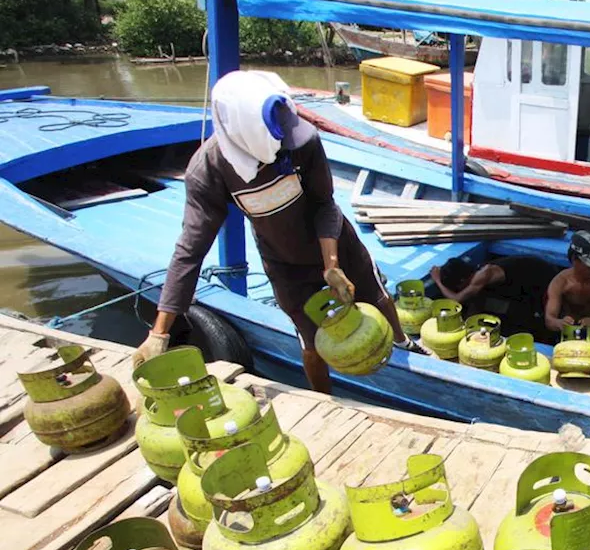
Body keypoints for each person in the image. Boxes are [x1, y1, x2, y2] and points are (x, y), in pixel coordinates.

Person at [133, 70, 419, 392]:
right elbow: (190, 253)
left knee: (377, 296)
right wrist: (159, 335)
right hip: (284, 262)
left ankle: (404, 344)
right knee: (311, 343)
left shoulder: (302, 139)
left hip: (335, 243)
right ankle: (324, 400)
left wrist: (332, 266)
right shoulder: (209, 171)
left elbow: (325, 205)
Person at [430, 254, 560, 337]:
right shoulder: (478, 273)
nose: (457, 290)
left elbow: (457, 299)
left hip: (545, 280)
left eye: (457, 287)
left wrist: (437, 281)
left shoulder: (482, 276)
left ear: (463, 280)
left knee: (538, 317)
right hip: (525, 280)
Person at [544, 230, 590, 337]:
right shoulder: (560, 282)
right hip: (572, 329)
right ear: (574, 260)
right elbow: (549, 319)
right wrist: (559, 323)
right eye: (589, 266)